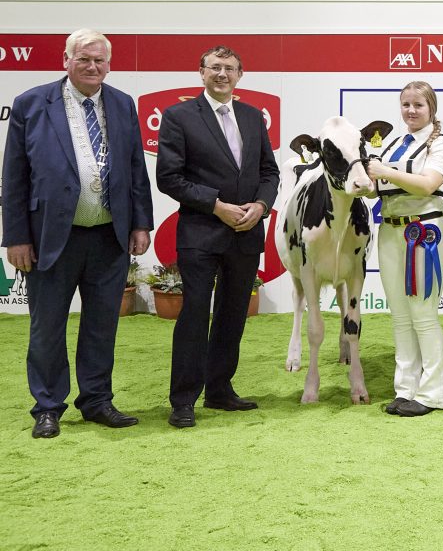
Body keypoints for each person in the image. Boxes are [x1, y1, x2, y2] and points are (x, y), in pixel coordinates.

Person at [2, 28, 153, 439]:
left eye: (99, 60)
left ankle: (97, 401)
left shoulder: (122, 104)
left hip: (109, 237)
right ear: (65, 60)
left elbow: (136, 169)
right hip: (51, 238)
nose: (92, 66)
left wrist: (141, 223)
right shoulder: (32, 104)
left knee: (102, 325)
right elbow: (14, 177)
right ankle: (48, 406)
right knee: (47, 326)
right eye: (83, 58)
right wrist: (16, 237)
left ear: (109, 63)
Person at [155, 45, 280, 428]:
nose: (222, 74)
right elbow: (169, 178)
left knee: (232, 314)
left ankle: (220, 390)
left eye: (229, 68)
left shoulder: (251, 117)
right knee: (194, 314)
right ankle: (183, 400)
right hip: (202, 232)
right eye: (215, 68)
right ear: (201, 72)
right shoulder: (178, 117)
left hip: (246, 232)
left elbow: (269, 172)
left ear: (240, 75)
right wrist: (217, 206)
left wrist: (260, 206)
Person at [366, 80, 443, 417]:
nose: (411, 111)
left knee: (423, 314)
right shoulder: (394, 143)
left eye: (418, 105)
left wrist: (383, 170)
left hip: (425, 231)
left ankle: (432, 393)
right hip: (390, 230)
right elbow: (378, 188)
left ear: (432, 108)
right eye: (406, 105)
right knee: (401, 316)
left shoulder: (441, 146)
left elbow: (429, 184)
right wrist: (368, 182)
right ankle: (406, 389)